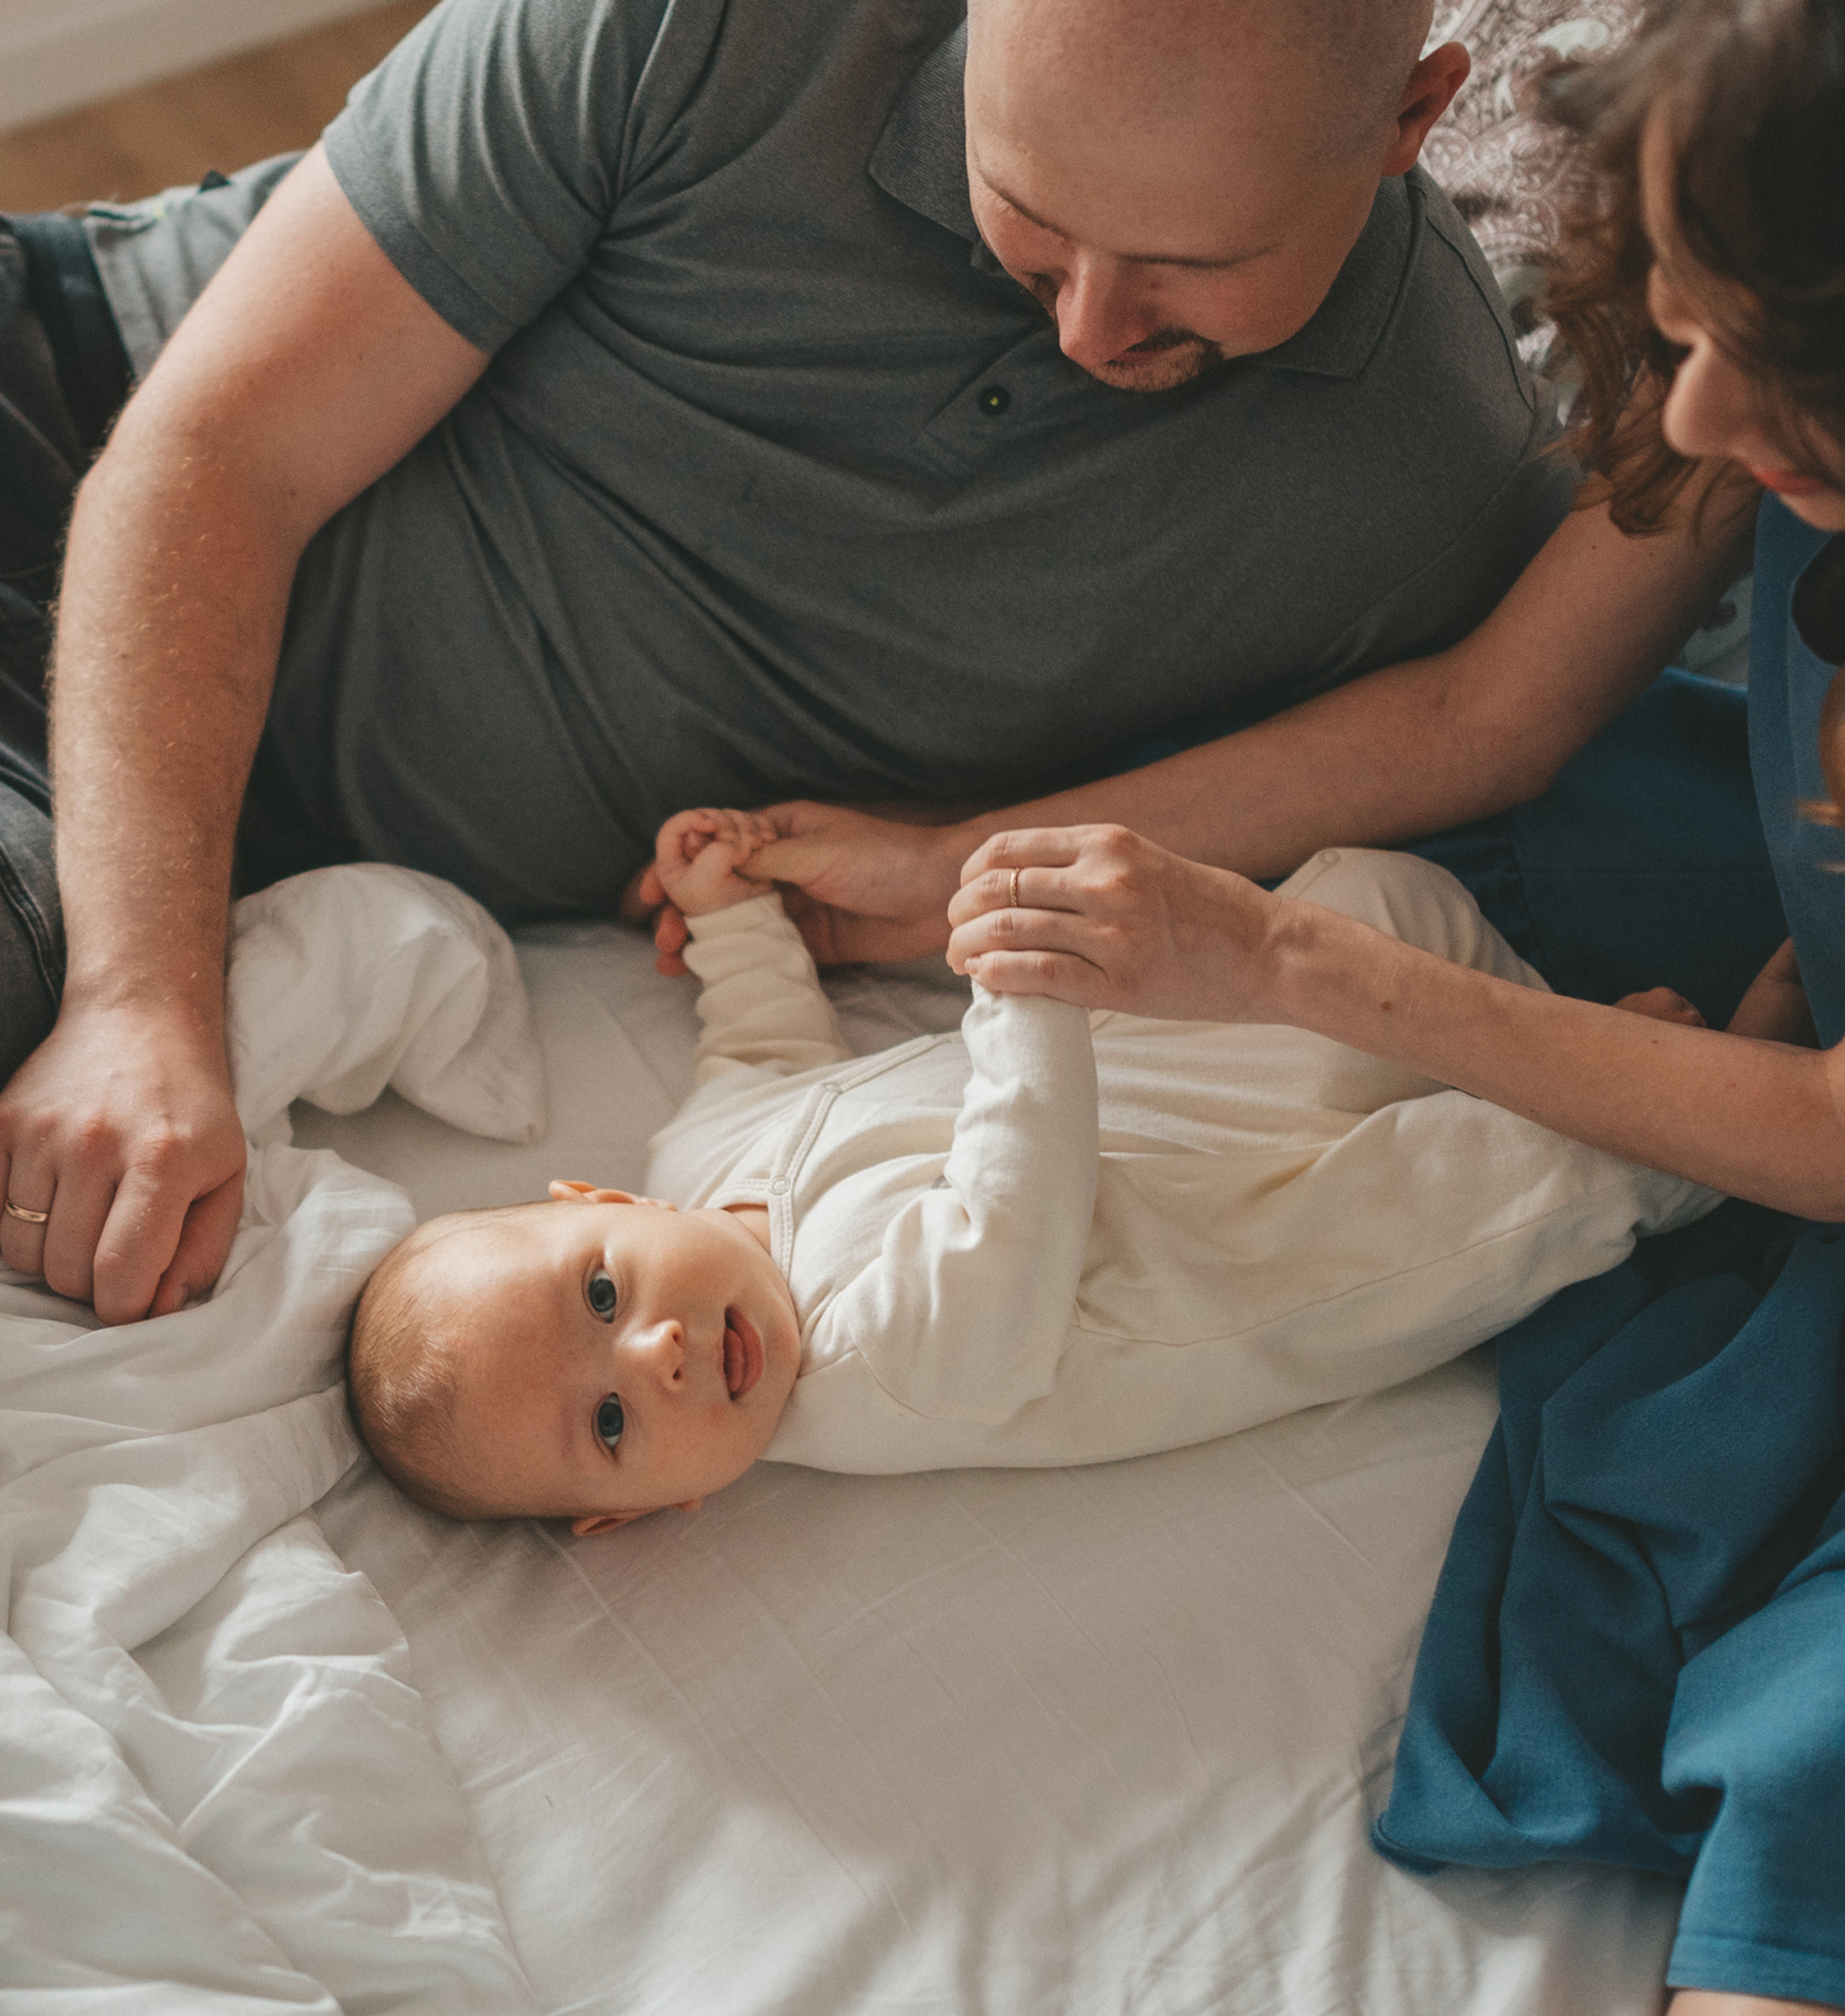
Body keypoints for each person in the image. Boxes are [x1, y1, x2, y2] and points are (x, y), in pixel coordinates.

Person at [937, 0, 1845, 2016]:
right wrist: (933, 859)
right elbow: (1493, 711)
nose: (1712, 395)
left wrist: (1291, 967)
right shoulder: (1752, 363)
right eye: (1679, 304)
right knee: (1485, 842)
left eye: (1792, 358)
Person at [0, 0, 1573, 1326]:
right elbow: (220, 459)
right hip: (80, 449)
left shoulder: (1424, 464)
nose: (1092, 327)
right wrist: (138, 997)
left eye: (1192, 266)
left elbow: (1462, 724)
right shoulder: (717, 30)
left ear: (1411, 116)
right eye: (1033, 215)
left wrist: (955, 861)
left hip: (228, 819)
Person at [348, 805, 1715, 1527]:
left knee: (1375, 894)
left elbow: (765, 1041)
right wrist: (1024, 998)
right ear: (651, 1512)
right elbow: (1014, 1206)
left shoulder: (697, 1154)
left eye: (598, 1297)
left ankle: (1539, 1024)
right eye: (611, 1431)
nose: (653, 1360)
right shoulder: (868, 1378)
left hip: (1199, 1083)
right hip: (1254, 1239)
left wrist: (732, 920)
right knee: (1504, 1192)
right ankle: (1694, 1116)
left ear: (603, 1203)